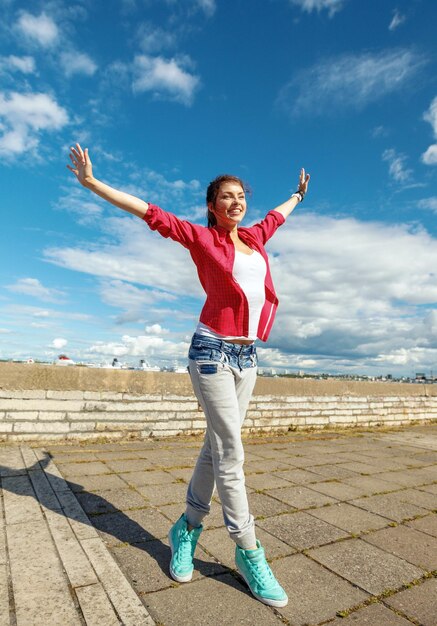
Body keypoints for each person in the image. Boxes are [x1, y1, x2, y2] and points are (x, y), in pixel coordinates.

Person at [67, 143, 310, 608]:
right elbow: (149, 212)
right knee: (231, 452)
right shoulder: (202, 239)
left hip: (247, 358)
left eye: (241, 195)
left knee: (215, 446)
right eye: (227, 197)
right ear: (212, 206)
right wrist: (92, 183)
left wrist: (297, 196)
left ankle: (187, 528)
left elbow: (278, 216)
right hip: (211, 353)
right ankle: (249, 550)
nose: (236, 202)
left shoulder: (256, 238)